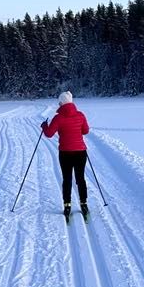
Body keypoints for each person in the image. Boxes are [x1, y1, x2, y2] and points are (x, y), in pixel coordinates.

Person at [41, 91, 90, 220]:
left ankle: (67, 205)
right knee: (80, 178)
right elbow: (85, 131)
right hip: (80, 152)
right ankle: (84, 203)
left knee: (67, 179)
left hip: (65, 153)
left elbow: (49, 134)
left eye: (59, 102)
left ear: (62, 103)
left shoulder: (58, 118)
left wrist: (44, 126)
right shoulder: (80, 115)